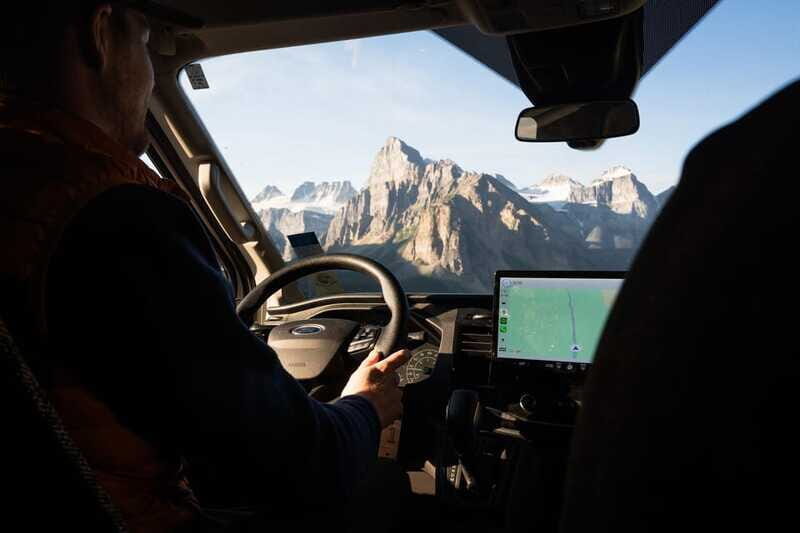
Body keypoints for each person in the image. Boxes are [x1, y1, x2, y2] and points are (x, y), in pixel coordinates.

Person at [0, 2, 409, 531]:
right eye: (145, 44)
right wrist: (364, 407)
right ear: (100, 35)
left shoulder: (24, 186)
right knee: (380, 488)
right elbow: (303, 463)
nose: (151, 76)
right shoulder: (113, 216)